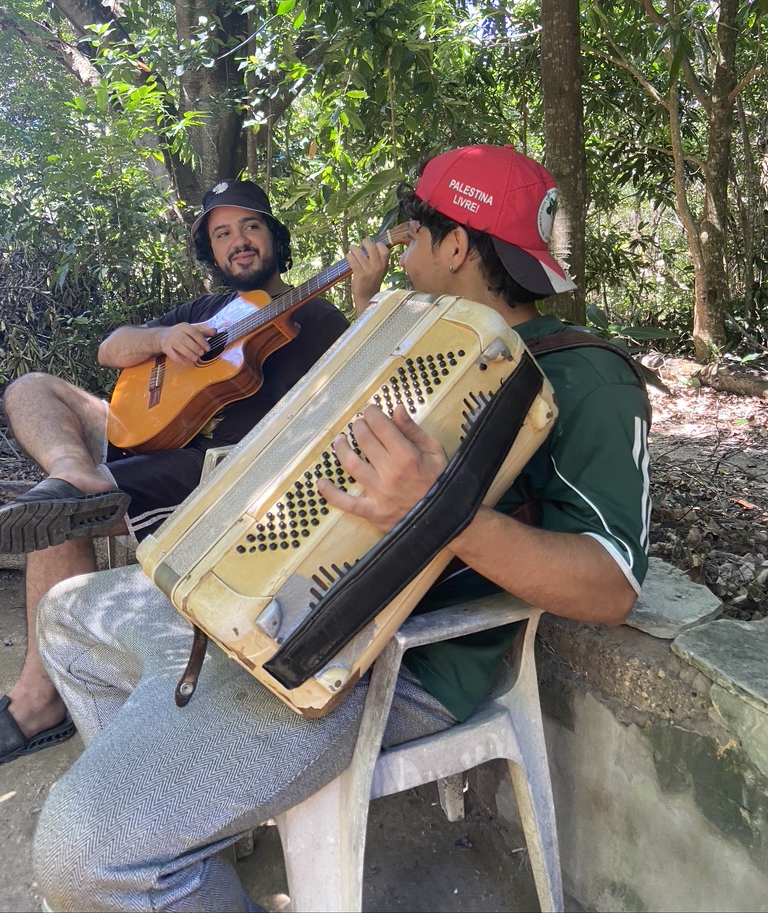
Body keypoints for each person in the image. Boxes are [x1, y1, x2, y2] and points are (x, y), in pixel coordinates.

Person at [32, 144, 651, 912]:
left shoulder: (587, 375)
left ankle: (152, 850)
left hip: (368, 663)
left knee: (81, 858)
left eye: (412, 230)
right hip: (256, 600)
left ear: (454, 244)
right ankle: (190, 822)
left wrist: (442, 509)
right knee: (66, 616)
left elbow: (610, 587)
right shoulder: (400, 332)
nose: (400, 243)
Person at [0, 178, 387, 767]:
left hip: (220, 466)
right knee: (31, 389)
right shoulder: (204, 313)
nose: (239, 242)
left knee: (60, 515)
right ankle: (74, 470)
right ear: (212, 252)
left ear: (275, 239)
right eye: (222, 233)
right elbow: (113, 348)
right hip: (150, 437)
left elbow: (367, 386)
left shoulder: (316, 314)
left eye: (251, 227)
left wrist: (365, 300)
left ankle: (36, 700)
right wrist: (160, 338)